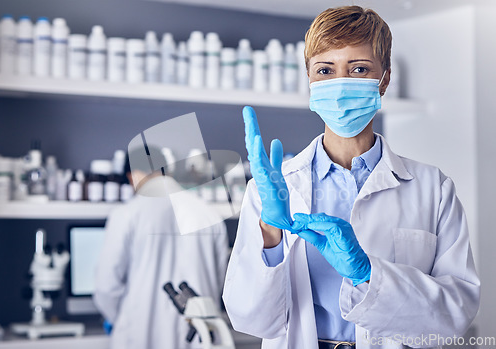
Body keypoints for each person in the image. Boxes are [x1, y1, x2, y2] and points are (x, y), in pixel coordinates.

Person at [223, 5, 480, 349]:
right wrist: (270, 234)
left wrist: (369, 275)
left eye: (358, 68)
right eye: (325, 70)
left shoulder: (433, 189)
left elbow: (455, 317)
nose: (340, 85)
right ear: (310, 82)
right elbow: (252, 320)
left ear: (384, 79)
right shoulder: (273, 189)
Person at [94, 150, 230, 349]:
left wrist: (121, 319)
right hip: (200, 337)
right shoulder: (210, 215)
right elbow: (220, 282)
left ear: (133, 175)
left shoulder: (126, 214)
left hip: (140, 336)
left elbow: (106, 287)